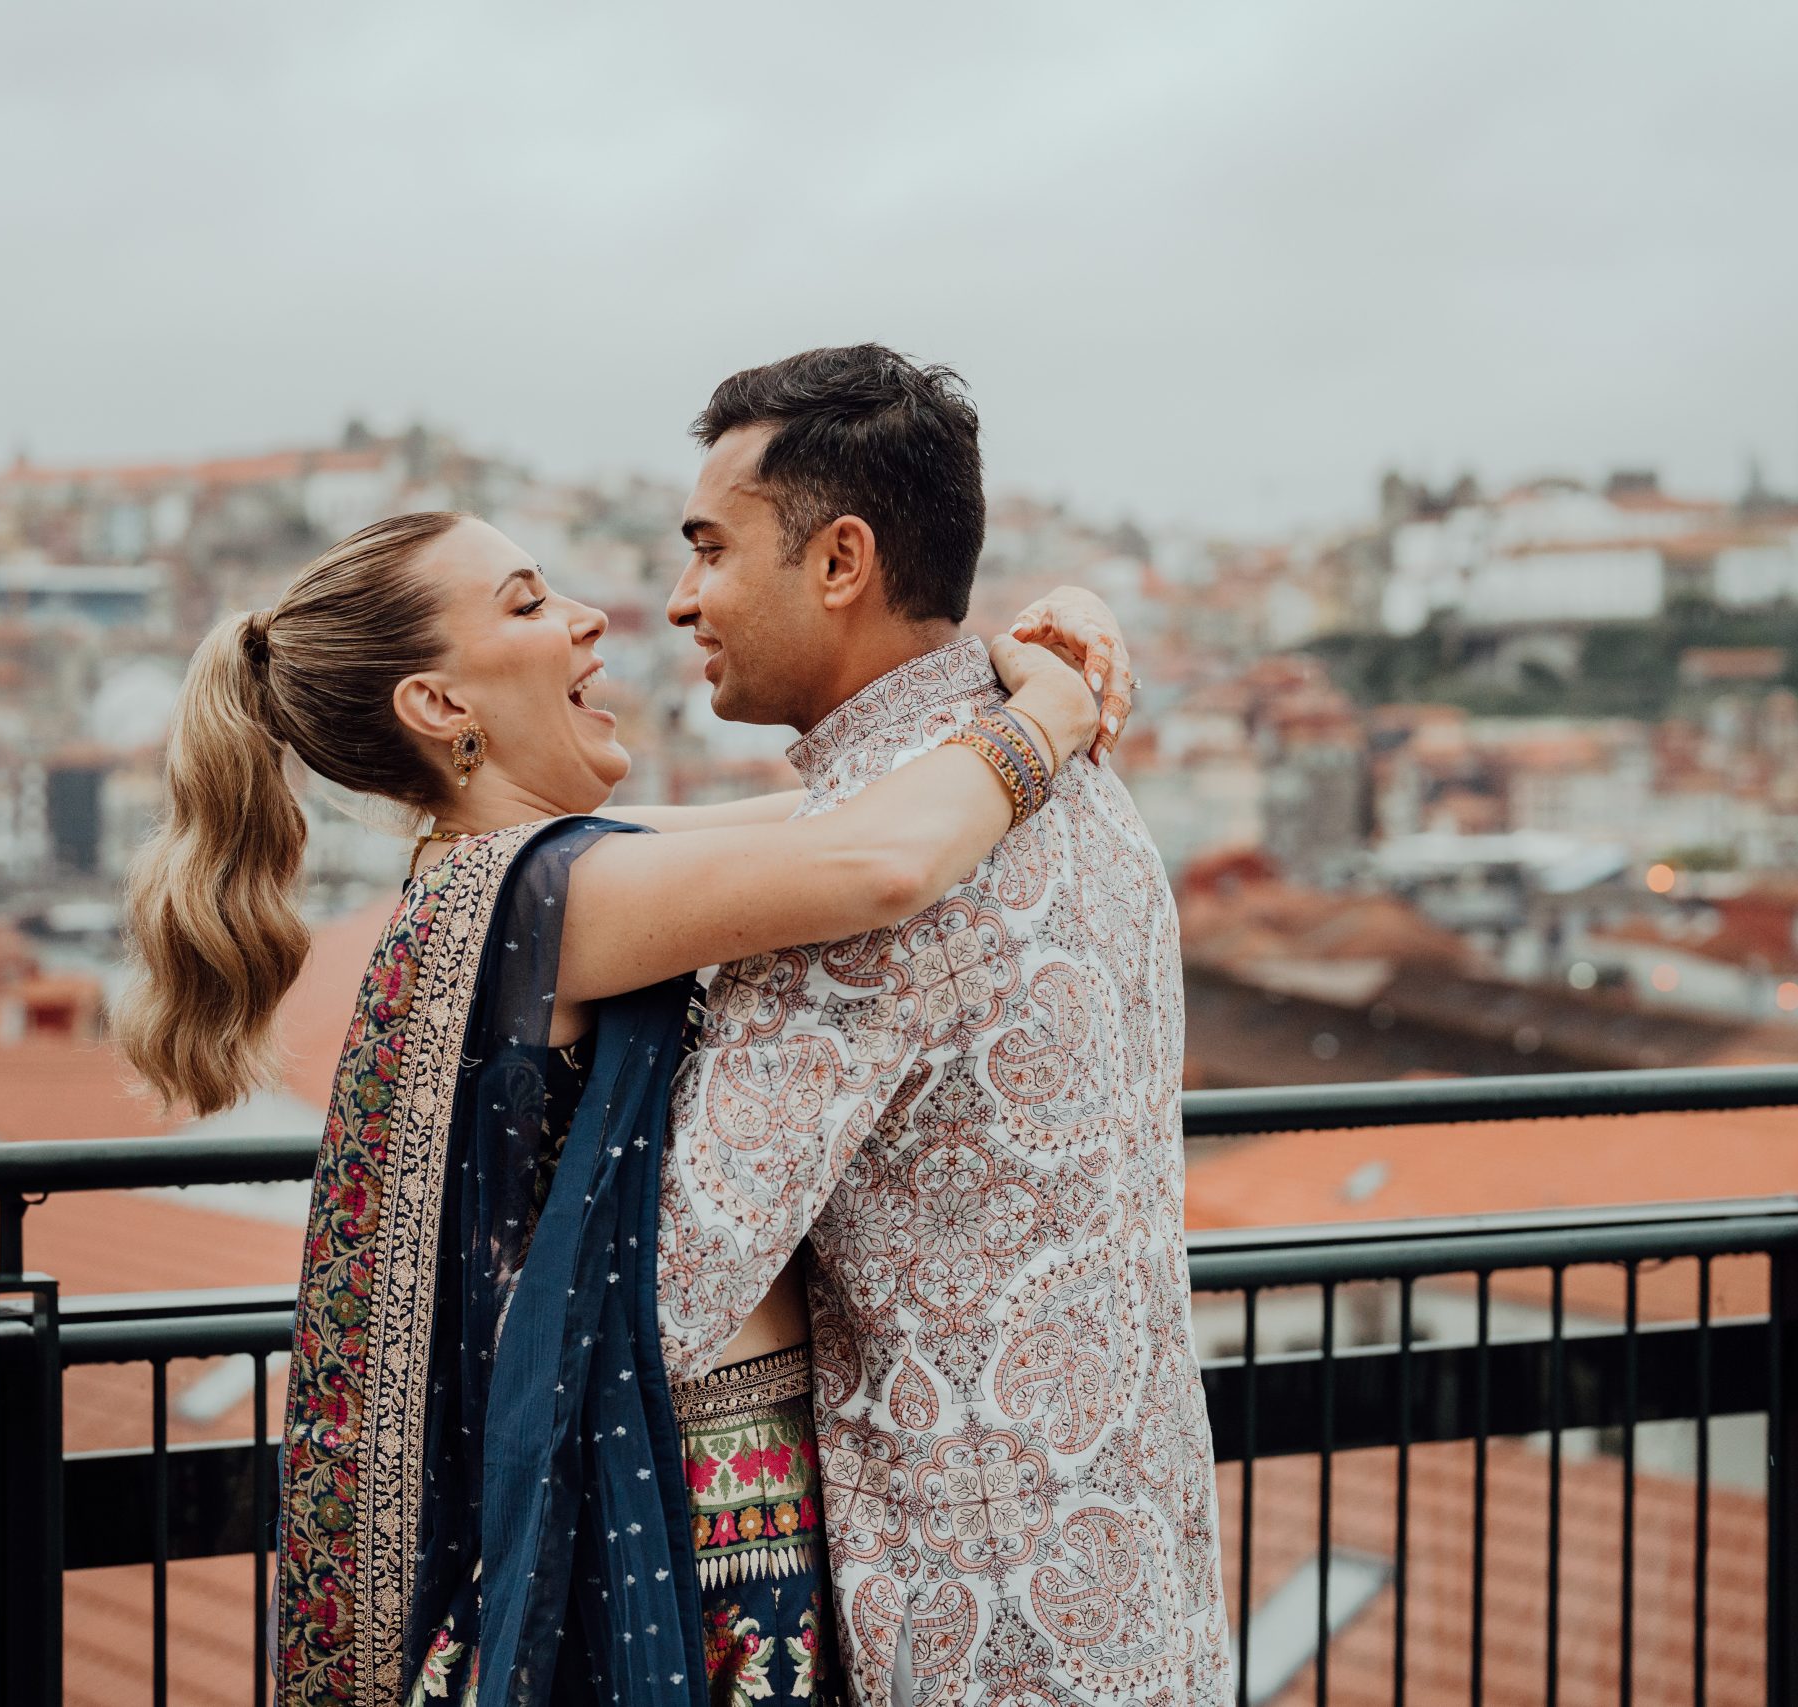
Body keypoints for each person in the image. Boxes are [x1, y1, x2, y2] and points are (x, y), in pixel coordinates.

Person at [116, 506, 1132, 1707]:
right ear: (439, 705)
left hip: (703, 1471)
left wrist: (1040, 647)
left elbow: (863, 805)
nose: (590, 616)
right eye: (527, 603)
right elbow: (880, 860)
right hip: (686, 1507)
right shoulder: (544, 896)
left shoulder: (533, 871)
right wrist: (1049, 711)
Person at [650, 346, 1231, 1705]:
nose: (682, 599)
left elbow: (673, 1283)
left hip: (967, 1620)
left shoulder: (853, 892)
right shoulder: (1078, 777)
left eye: (711, 549)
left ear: (840, 560)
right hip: (1144, 1592)